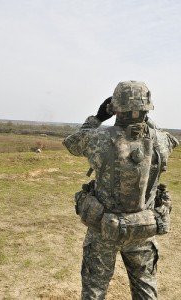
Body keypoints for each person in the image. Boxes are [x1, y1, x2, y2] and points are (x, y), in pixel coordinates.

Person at [63, 80, 178, 300]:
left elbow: (72, 142)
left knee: (94, 291)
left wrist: (98, 118)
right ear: (148, 107)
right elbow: (165, 136)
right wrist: (144, 117)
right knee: (146, 290)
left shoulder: (98, 139)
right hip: (142, 229)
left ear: (115, 107)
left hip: (103, 231)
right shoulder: (162, 141)